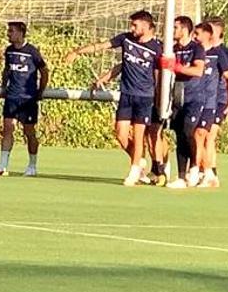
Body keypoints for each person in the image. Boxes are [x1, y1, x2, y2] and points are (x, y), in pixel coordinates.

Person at [65, 10, 163, 186]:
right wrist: (77, 52)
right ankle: (139, 163)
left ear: (146, 25)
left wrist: (158, 98)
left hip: (144, 97)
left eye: (135, 25)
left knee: (139, 136)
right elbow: (103, 48)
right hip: (126, 95)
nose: (131, 28)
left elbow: (159, 75)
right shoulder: (126, 39)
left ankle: (134, 172)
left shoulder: (156, 48)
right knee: (120, 134)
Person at [0, 21, 49, 177]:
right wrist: (3, 87)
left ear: (21, 33)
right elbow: (7, 70)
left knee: (29, 132)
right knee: (7, 128)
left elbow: (44, 71)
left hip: (27, 99)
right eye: (8, 31)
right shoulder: (9, 51)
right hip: (12, 97)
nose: (8, 34)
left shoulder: (32, 51)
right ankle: (2, 165)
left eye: (11, 31)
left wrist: (40, 91)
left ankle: (32, 166)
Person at [154, 17, 206, 187]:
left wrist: (176, 67)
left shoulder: (196, 48)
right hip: (177, 97)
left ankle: (195, 167)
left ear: (184, 30)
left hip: (194, 97)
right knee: (179, 135)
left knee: (187, 131)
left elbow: (198, 70)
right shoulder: (172, 49)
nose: (172, 30)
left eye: (175, 27)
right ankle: (181, 176)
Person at [201, 17, 228, 189]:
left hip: (219, 100)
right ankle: (203, 171)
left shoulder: (225, 53)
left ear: (218, 32)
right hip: (203, 99)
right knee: (200, 137)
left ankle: (211, 174)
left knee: (209, 137)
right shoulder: (202, 50)